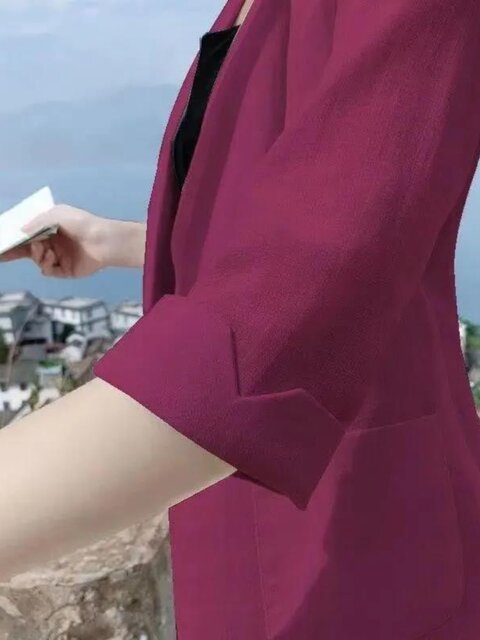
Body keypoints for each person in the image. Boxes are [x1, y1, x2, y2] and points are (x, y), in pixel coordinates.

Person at [1, 0, 480, 637]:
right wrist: (116, 242)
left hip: (364, 527)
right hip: (241, 507)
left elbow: (289, 309)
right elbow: (299, 230)